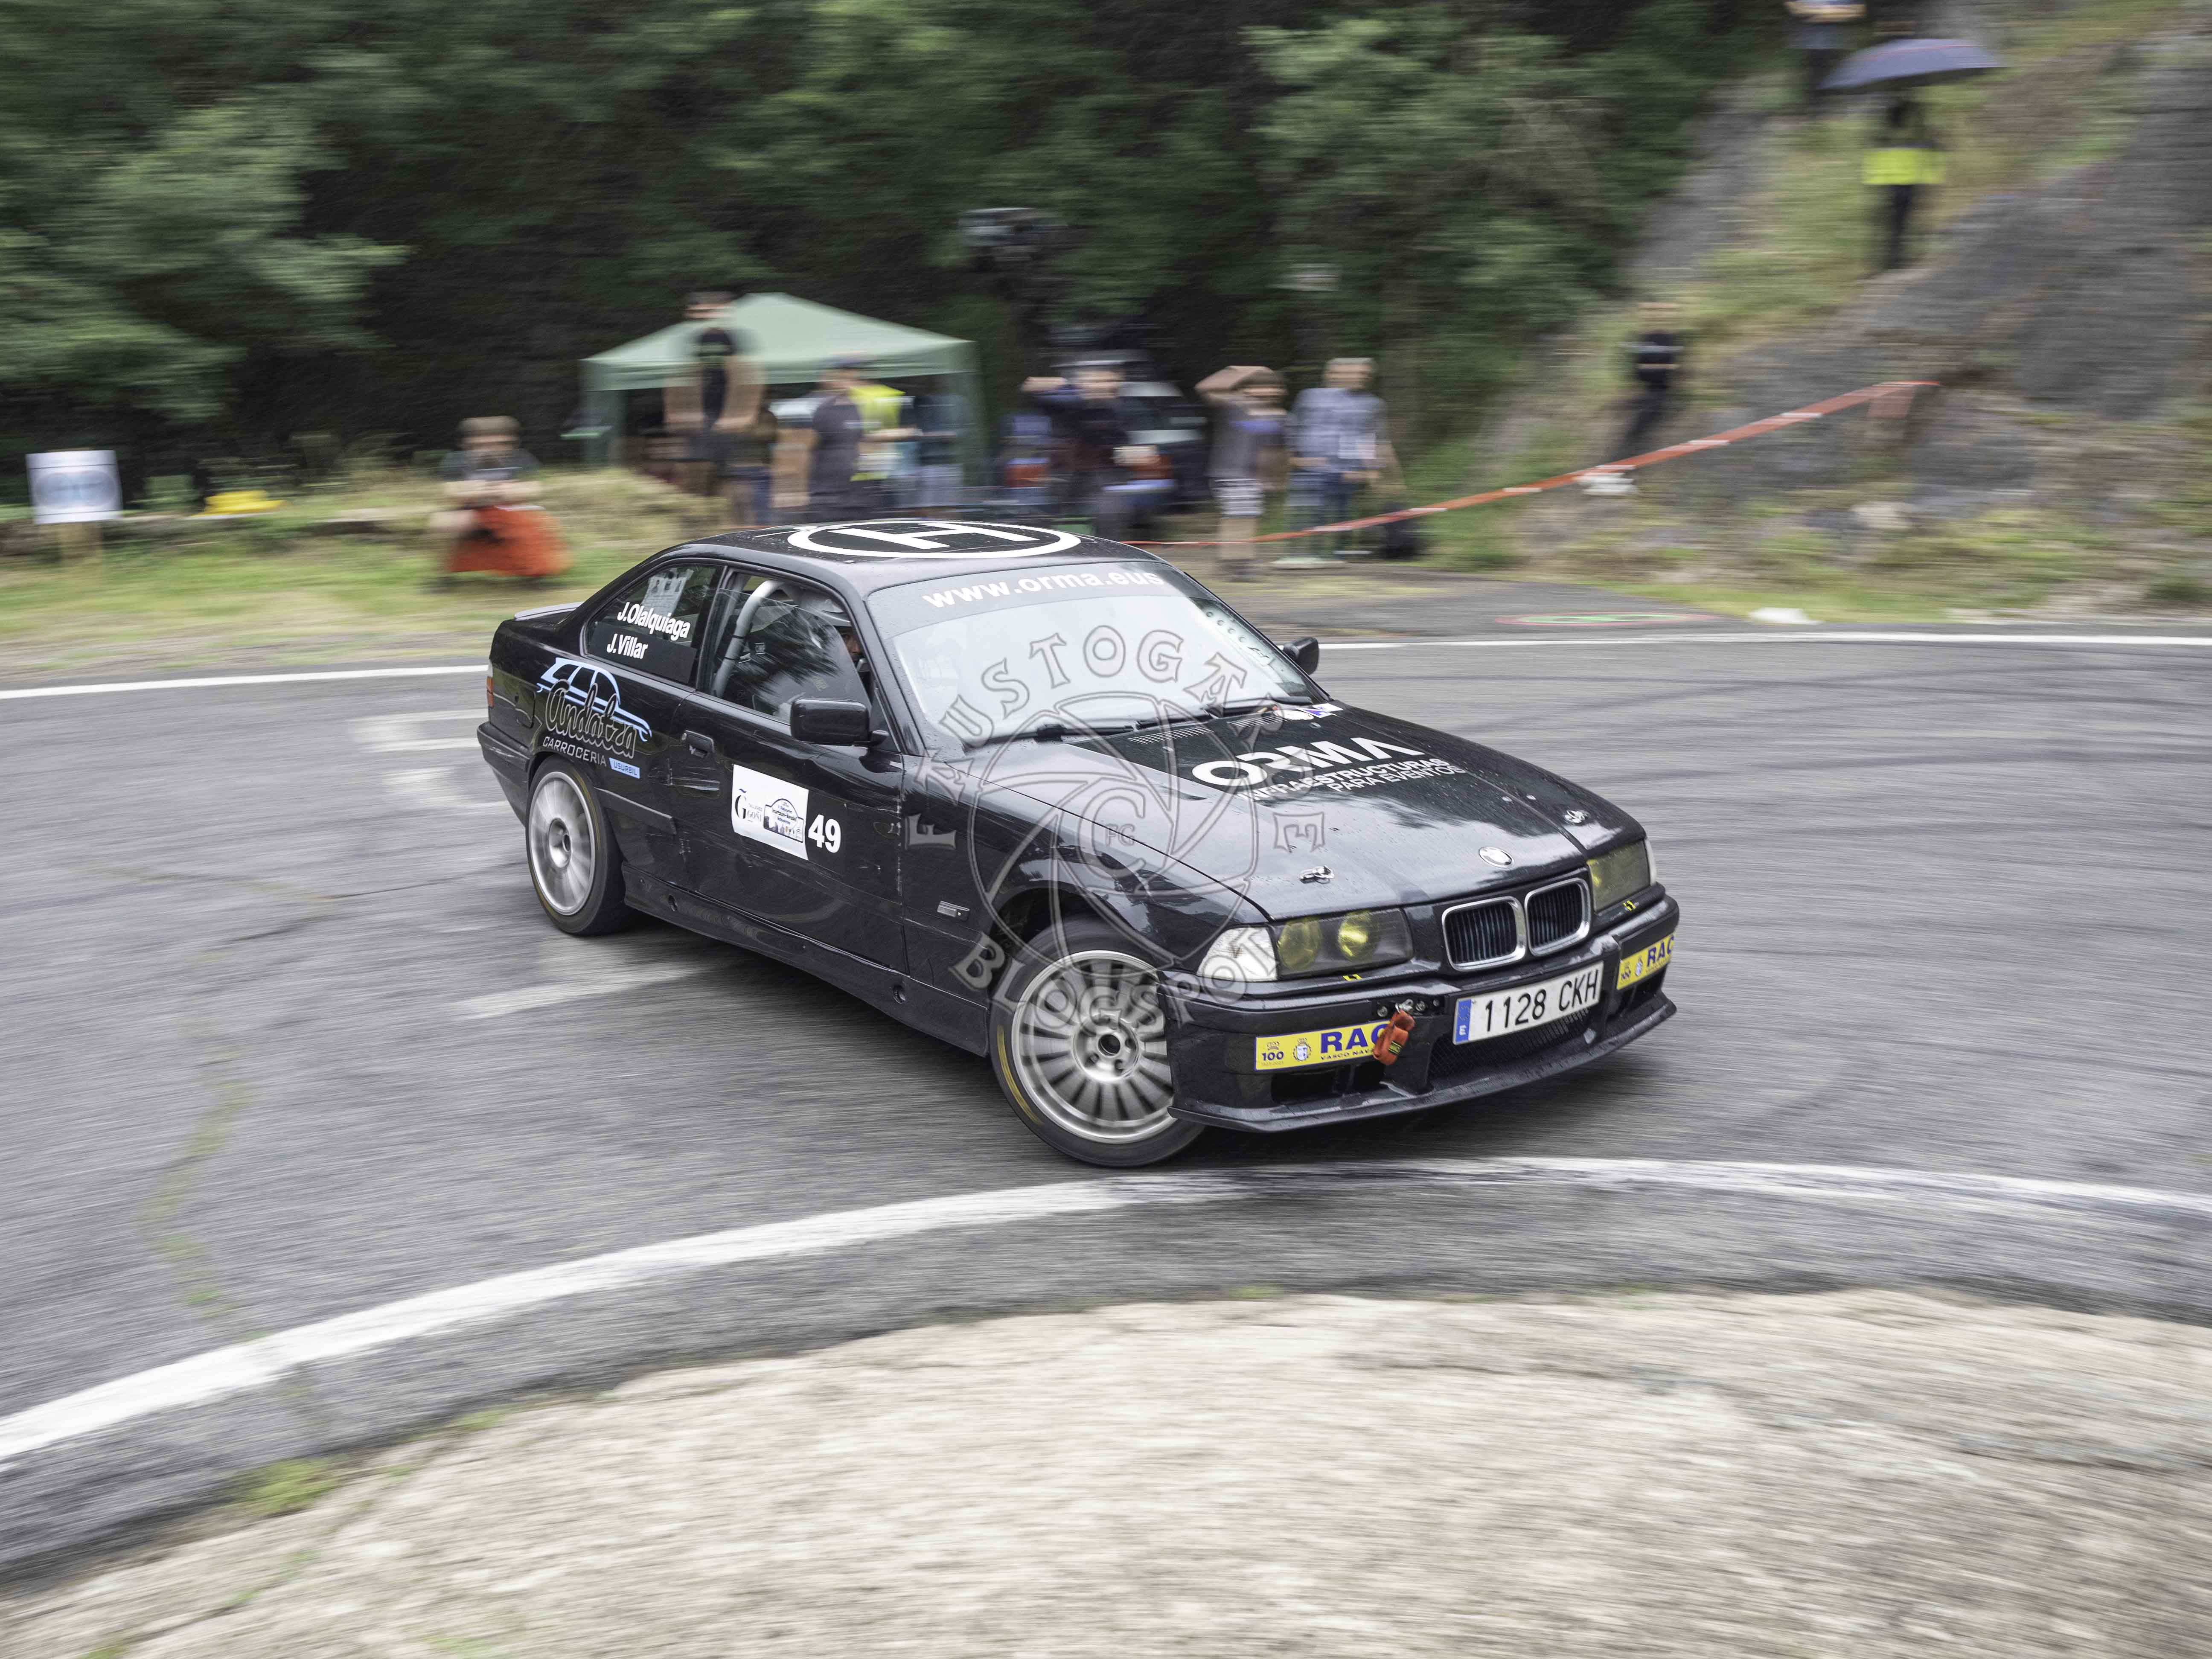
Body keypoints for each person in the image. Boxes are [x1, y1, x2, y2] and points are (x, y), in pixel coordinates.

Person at [1022, 364, 1157, 541]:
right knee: (1036, 514)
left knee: (1109, 513)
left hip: (1107, 478)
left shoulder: (1126, 409)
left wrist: (1135, 453)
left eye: (1108, 381)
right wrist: (1052, 384)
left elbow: (1141, 445)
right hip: (1065, 476)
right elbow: (1032, 392)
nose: (1102, 386)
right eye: (1095, 381)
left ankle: (1108, 549)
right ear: (1081, 384)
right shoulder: (1065, 404)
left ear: (1118, 384)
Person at [428, 417, 567, 584]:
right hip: (472, 512)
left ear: (511, 443)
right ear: (467, 444)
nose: (490, 449)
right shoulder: (456, 461)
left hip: (514, 511)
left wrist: (480, 490)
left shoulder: (521, 458)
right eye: (480, 445)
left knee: (534, 522)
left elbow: (534, 490)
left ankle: (537, 574)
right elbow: (451, 493)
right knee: (443, 523)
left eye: (499, 444)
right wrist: (499, 490)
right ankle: (442, 577)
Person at [1284, 357, 1392, 565]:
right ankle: (1303, 553)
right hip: (1310, 467)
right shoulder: (1310, 397)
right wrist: (1293, 459)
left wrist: (1373, 469)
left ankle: (1338, 554)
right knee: (1308, 511)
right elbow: (1293, 428)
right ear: (1331, 375)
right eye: (1353, 373)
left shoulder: (1373, 404)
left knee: (1343, 513)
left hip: (1348, 469)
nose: (1359, 378)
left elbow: (1373, 437)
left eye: (1364, 374)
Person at [1194, 365, 1289, 581]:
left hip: (1254, 477)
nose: (1267, 391)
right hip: (1229, 472)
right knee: (1236, 519)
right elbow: (1205, 388)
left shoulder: (1279, 416)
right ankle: (1232, 564)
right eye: (1260, 387)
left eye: (1273, 387)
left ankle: (1240, 563)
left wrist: (1276, 478)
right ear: (1247, 389)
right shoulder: (1235, 405)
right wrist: (1242, 372)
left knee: (1248, 519)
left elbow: (1275, 450)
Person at [665, 292, 763, 498]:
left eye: (704, 311)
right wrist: (677, 413)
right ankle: (696, 509)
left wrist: (741, 415)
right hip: (704, 417)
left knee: (729, 473)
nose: (696, 316)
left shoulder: (731, 338)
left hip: (726, 416)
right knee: (694, 467)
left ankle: (733, 513)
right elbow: (685, 376)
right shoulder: (695, 338)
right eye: (694, 312)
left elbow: (745, 377)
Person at [1586, 302, 1685, 497]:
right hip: (1648, 392)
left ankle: (1617, 474)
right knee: (1630, 430)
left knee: (1635, 432)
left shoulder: (1669, 339)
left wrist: (1651, 369)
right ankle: (1611, 473)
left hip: (1659, 394)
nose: (1655, 318)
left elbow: (1669, 370)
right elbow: (1638, 370)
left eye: (1660, 313)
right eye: (1651, 314)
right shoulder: (1644, 339)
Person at [1866, 94, 1943, 272]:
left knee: (1891, 221)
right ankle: (1896, 257)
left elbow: (1877, 158)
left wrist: (1874, 181)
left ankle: (1891, 258)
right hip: (1908, 180)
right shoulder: (1915, 131)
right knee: (1901, 221)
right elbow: (1928, 150)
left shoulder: (1886, 136)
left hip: (1891, 181)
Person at [806, 357, 869, 522]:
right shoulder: (817, 408)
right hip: (826, 495)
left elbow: (863, 441)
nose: (850, 382)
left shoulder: (856, 407)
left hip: (854, 494)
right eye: (844, 376)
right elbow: (804, 449)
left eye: (854, 377)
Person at [1787, 1, 1864, 108]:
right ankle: (1814, 107)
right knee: (1812, 81)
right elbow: (1797, 9)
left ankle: (1829, 105)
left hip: (1835, 42)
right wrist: (1835, 13)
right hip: (1809, 43)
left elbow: (1857, 10)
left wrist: (1818, 14)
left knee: (1836, 78)